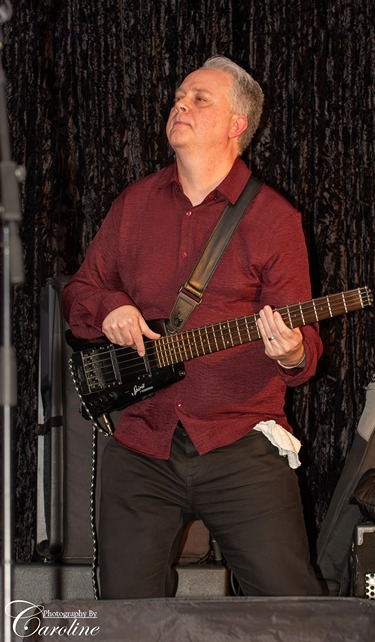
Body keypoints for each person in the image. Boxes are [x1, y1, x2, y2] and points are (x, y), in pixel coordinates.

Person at [62, 54, 324, 599]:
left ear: (237, 124)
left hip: (240, 442)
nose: (180, 104)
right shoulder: (134, 204)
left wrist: (291, 352)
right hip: (142, 443)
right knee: (127, 620)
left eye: (200, 99)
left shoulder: (275, 218)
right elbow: (78, 294)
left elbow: (304, 356)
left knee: (293, 611)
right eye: (180, 96)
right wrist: (109, 306)